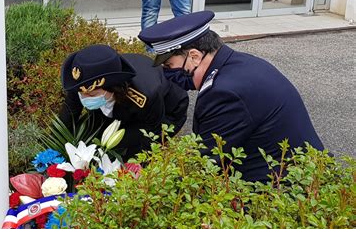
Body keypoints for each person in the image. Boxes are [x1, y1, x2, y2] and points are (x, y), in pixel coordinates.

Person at [138, 11, 324, 183]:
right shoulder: (239, 63)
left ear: (194, 56)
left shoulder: (224, 93)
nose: (168, 74)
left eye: (170, 66)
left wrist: (145, 183)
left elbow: (203, 164)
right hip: (298, 173)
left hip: (285, 191)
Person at [59, 44, 189, 160]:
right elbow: (69, 113)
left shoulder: (143, 95)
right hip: (117, 104)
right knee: (92, 140)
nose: (85, 98)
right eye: (81, 94)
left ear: (113, 88)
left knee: (123, 151)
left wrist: (126, 155)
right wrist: (56, 146)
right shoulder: (84, 82)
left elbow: (150, 130)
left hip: (166, 111)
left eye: (92, 95)